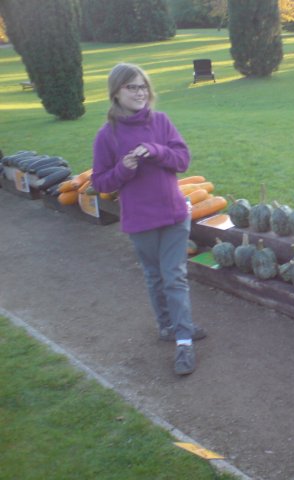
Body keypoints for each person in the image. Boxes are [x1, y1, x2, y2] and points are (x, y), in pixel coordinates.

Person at [92, 63, 206, 376]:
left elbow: (182, 160)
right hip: (140, 220)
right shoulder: (107, 135)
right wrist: (123, 169)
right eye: (132, 87)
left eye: (143, 86)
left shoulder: (161, 122)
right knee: (155, 276)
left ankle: (184, 341)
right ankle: (168, 326)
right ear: (116, 92)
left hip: (173, 215)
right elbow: (100, 183)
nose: (140, 92)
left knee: (174, 276)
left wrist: (157, 150)